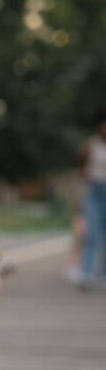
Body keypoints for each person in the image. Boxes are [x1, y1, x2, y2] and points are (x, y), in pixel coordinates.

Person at [77, 108, 106, 289]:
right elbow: (82, 168)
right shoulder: (91, 145)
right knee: (92, 234)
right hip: (94, 190)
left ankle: (103, 275)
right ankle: (86, 273)